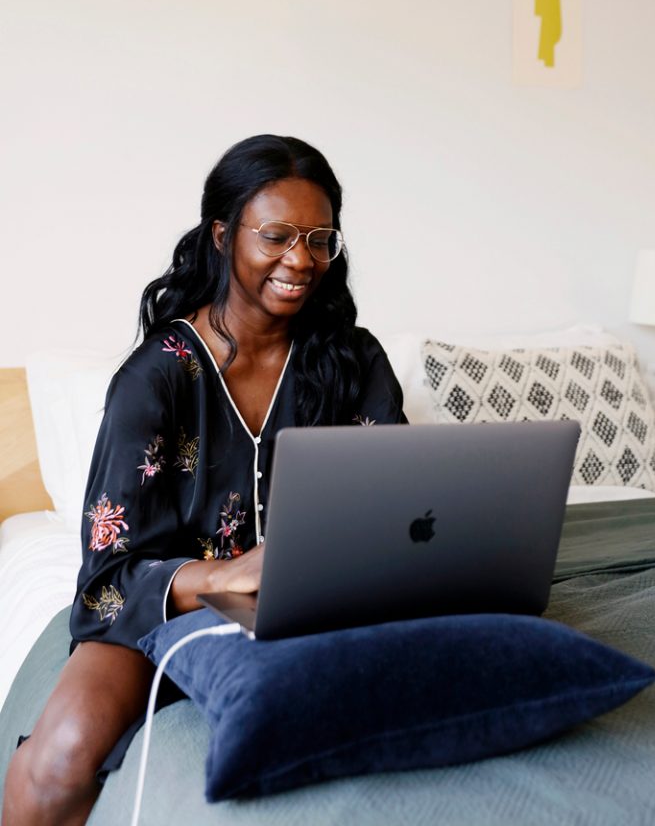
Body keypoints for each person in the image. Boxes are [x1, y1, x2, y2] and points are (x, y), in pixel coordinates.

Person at [3, 134, 406, 826]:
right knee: (58, 760)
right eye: (276, 236)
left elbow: (401, 502)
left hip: (327, 602)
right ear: (223, 235)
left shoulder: (352, 360)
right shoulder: (155, 376)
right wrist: (223, 577)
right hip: (171, 606)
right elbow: (109, 574)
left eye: (319, 239)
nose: (301, 260)